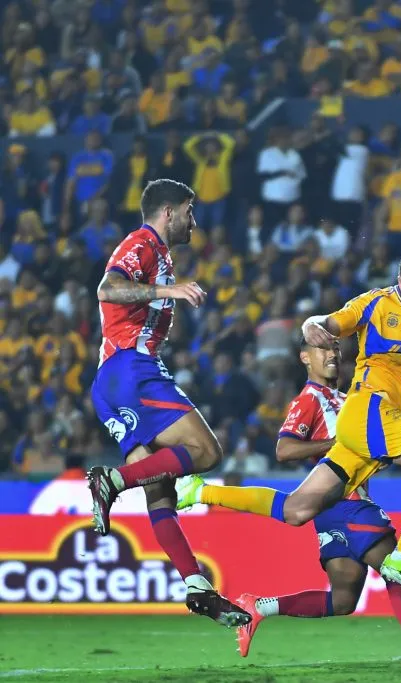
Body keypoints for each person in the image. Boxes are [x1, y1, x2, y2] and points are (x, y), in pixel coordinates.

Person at [171, 250, 401, 598]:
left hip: (381, 428)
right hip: (368, 411)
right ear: (400, 282)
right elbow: (324, 323)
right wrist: (311, 323)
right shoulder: (375, 304)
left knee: (297, 510)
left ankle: (199, 491)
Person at [179, 340, 401, 668]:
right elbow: (285, 449)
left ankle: (260, 606)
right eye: (322, 350)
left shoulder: (351, 400)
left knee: (343, 600)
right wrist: (337, 442)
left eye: (335, 350)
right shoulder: (311, 398)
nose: (331, 355)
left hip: (332, 511)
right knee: (396, 570)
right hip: (347, 501)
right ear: (305, 357)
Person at [86, 179, 248, 627]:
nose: (194, 221)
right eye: (189, 211)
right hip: (131, 369)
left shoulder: (161, 255)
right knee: (206, 452)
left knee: (160, 488)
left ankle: (196, 585)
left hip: (110, 383)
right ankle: (111, 480)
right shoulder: (142, 244)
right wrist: (168, 292)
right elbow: (107, 289)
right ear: (169, 212)